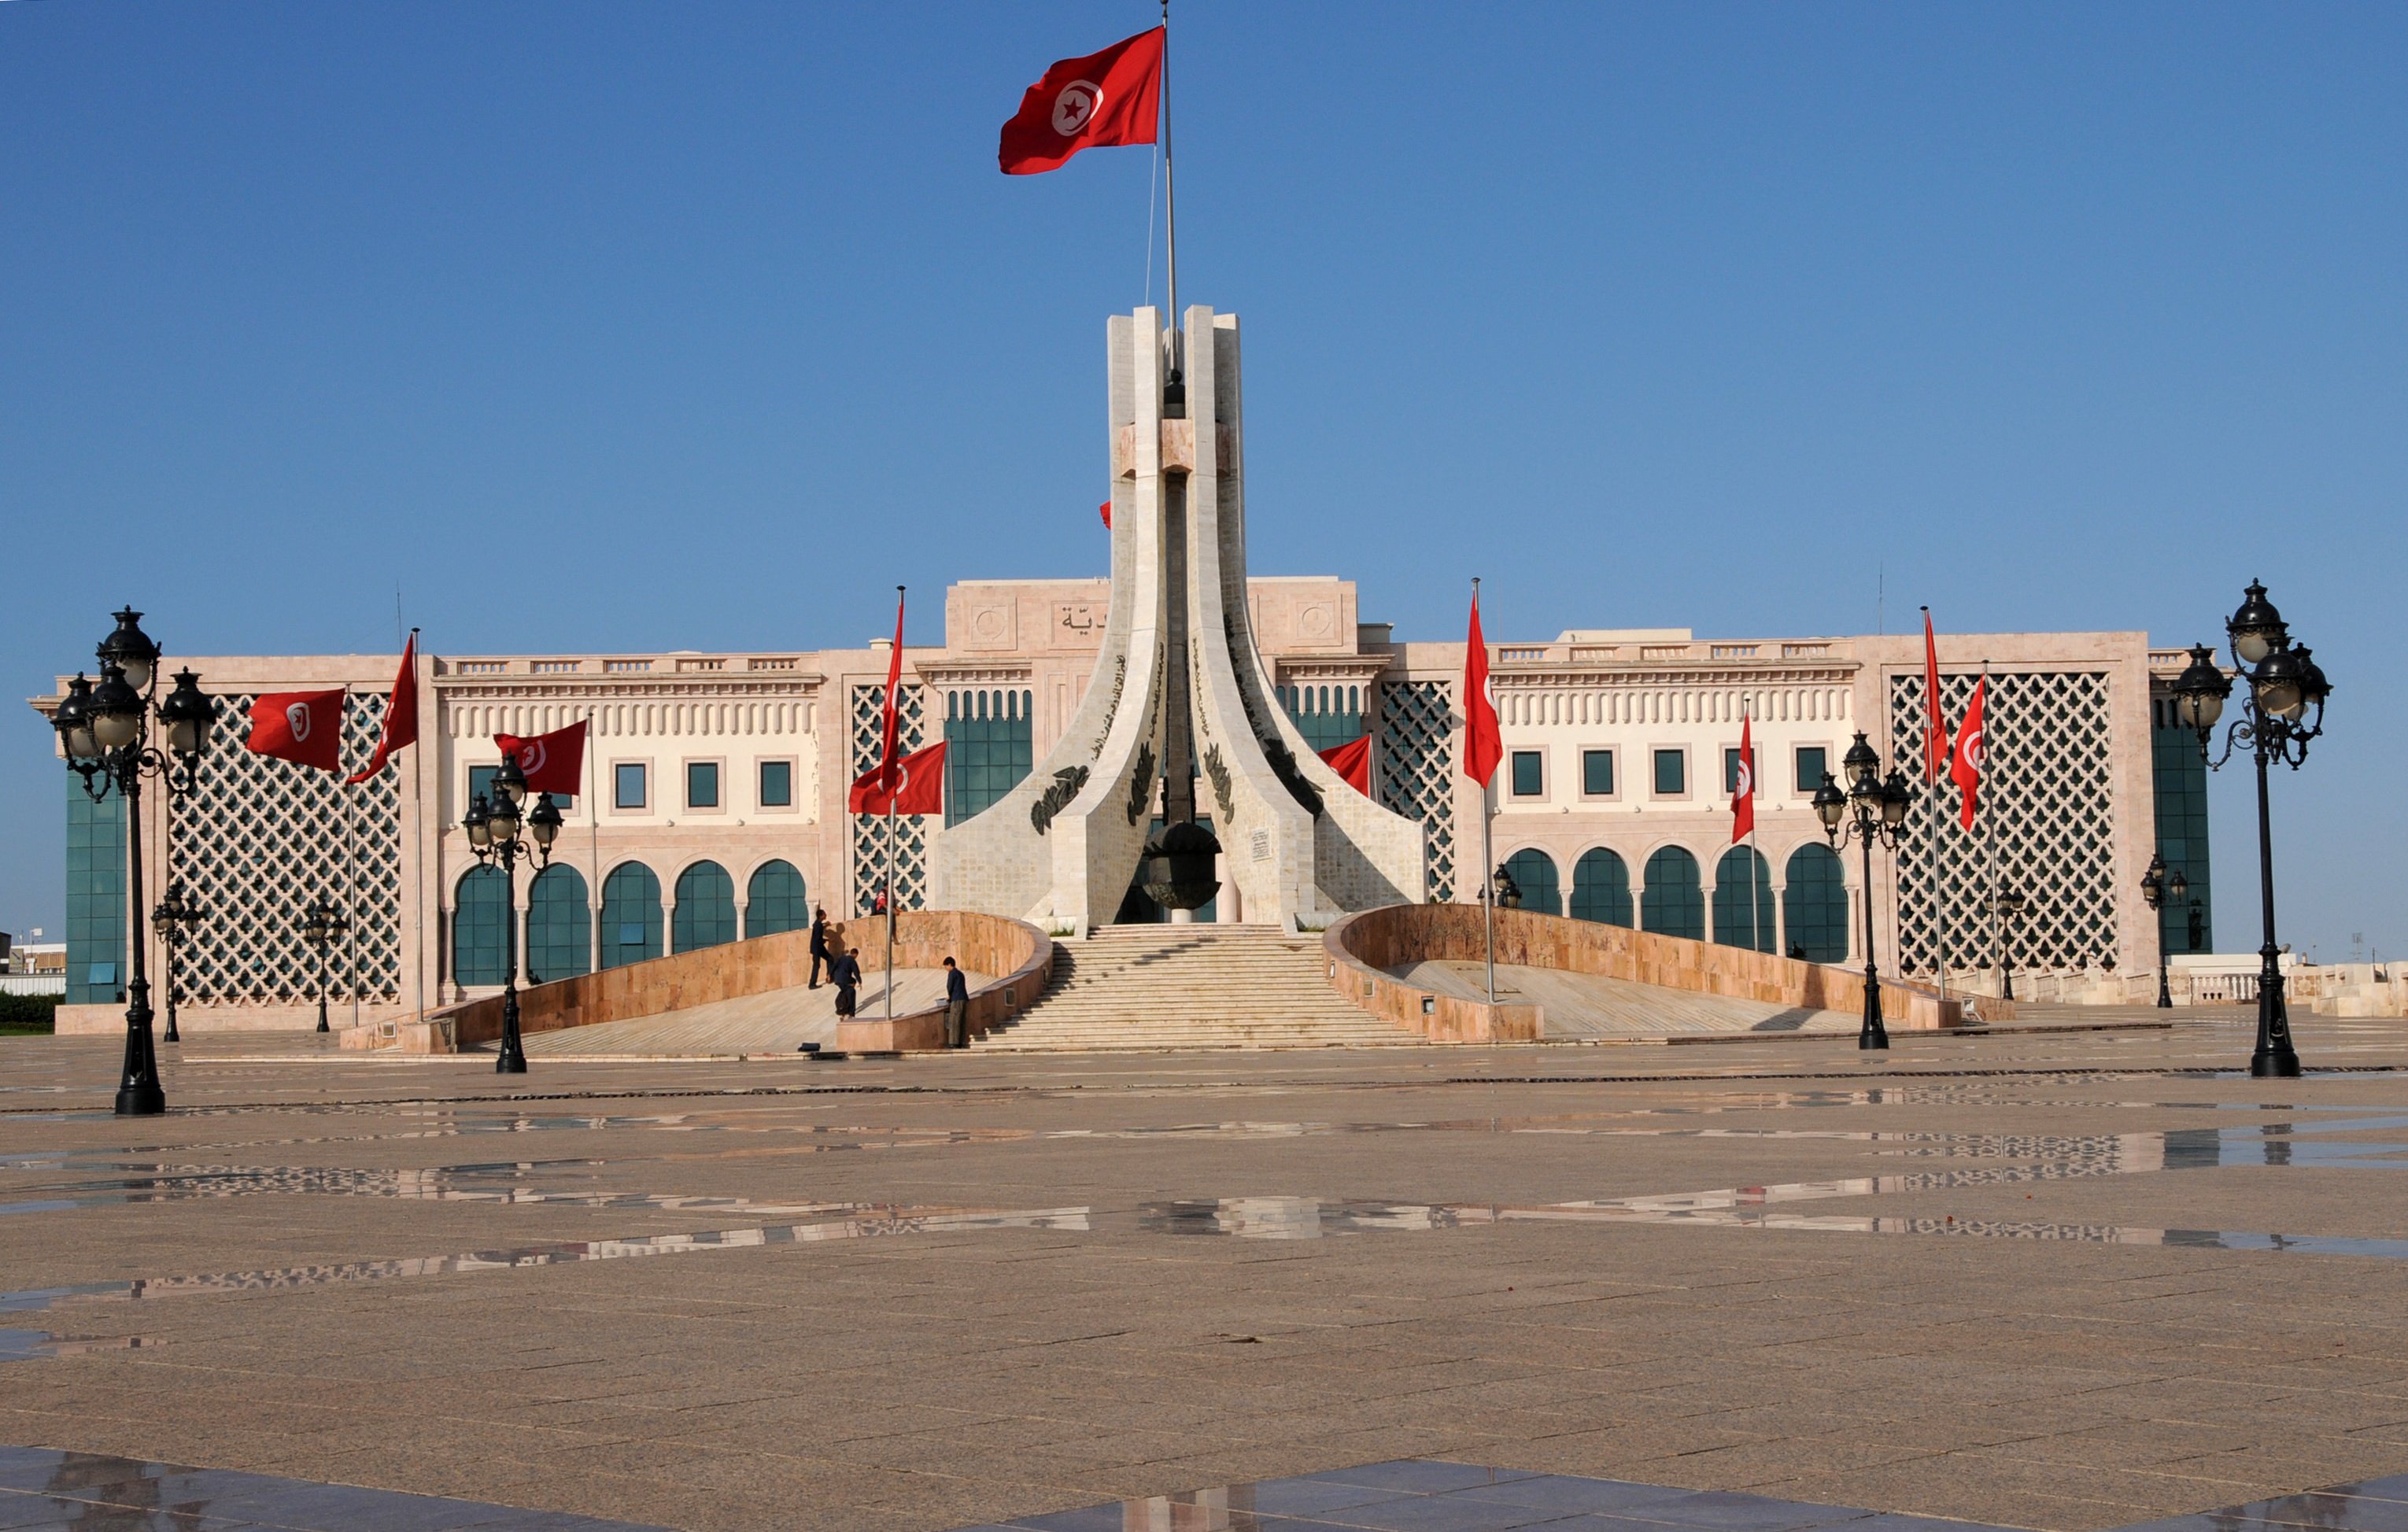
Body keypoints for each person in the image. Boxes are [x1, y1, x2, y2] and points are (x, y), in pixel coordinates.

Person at [943, 956, 969, 1049]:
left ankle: (954, 1042)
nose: (946, 969)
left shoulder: (952, 973)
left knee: (954, 1021)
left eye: (946, 966)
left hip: (956, 999)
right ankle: (961, 1041)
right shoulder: (960, 973)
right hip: (964, 998)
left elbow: (949, 986)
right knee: (962, 1021)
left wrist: (949, 996)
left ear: (950, 965)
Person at [830, 947, 862, 1021]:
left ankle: (843, 1013)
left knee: (845, 993)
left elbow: (835, 965)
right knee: (851, 991)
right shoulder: (852, 960)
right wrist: (860, 982)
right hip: (846, 979)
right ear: (855, 954)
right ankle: (851, 1013)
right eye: (856, 956)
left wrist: (829, 974)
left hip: (838, 979)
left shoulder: (842, 958)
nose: (856, 958)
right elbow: (856, 972)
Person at [807, 907, 830, 989]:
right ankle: (812, 984)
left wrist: (825, 925)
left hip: (818, 947)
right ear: (821, 916)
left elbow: (817, 926)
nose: (826, 915)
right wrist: (825, 940)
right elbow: (818, 938)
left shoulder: (818, 924)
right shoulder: (818, 925)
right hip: (818, 948)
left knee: (830, 959)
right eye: (824, 914)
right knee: (817, 965)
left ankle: (829, 976)